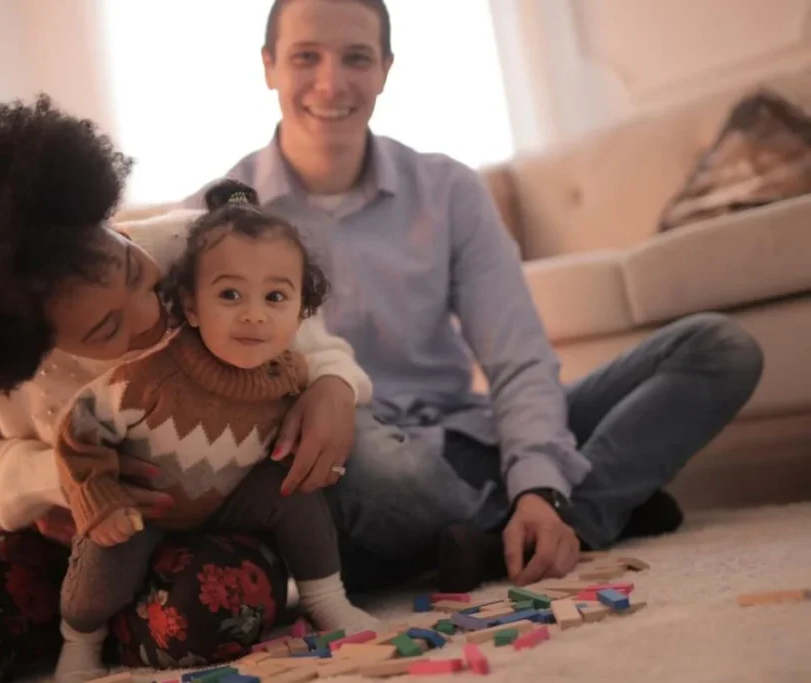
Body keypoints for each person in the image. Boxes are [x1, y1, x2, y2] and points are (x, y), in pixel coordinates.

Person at [179, 0, 765, 592]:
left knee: (719, 347)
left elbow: (518, 358)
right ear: (269, 66)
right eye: (306, 57)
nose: (331, 82)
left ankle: (549, 521)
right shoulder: (218, 215)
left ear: (384, 69)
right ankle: (579, 510)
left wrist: (538, 484)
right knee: (376, 464)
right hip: (362, 462)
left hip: (473, 435)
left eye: (356, 58)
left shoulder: (449, 189)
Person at [0, 95, 370, 682]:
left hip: (216, 520)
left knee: (203, 617)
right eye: (106, 328)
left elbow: (311, 342)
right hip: (71, 536)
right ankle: (80, 613)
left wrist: (334, 386)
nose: (151, 313)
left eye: (132, 269)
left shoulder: (192, 246)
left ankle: (94, 622)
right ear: (32, 345)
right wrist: (65, 481)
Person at [53, 179, 377, 681]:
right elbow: (78, 428)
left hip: (231, 500)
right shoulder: (151, 380)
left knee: (296, 491)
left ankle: (327, 600)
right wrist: (99, 494)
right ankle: (79, 641)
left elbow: (329, 384)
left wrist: (333, 395)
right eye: (229, 295)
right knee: (104, 565)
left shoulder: (289, 372)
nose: (253, 314)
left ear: (299, 313)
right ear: (189, 305)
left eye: (275, 297)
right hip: (150, 503)